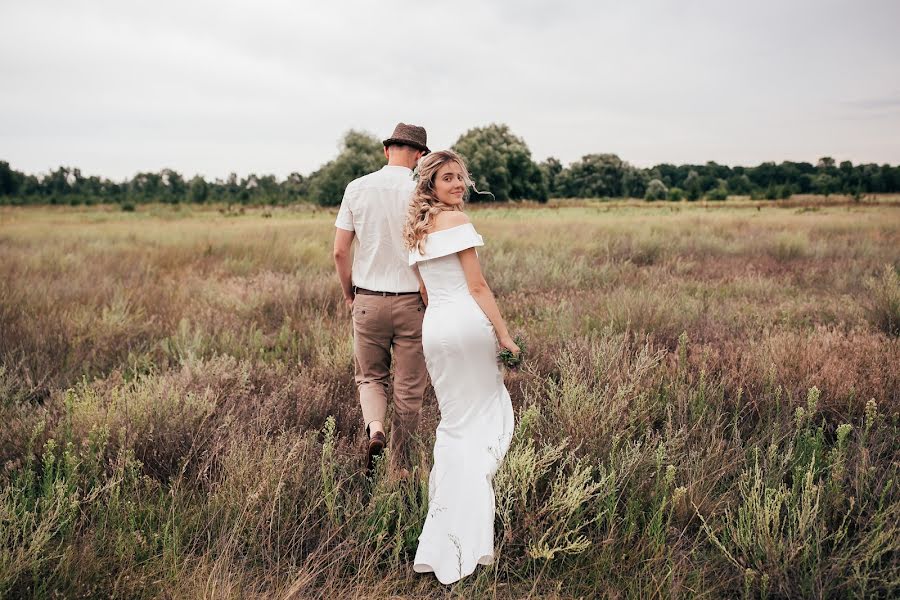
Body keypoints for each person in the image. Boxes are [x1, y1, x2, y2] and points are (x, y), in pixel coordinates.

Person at [403, 150, 519, 585]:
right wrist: (504, 336)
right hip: (467, 324)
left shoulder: (415, 229)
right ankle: (468, 530)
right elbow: (477, 285)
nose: (457, 185)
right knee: (482, 420)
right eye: (448, 178)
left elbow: (428, 294)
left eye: (461, 178)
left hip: (436, 330)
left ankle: (441, 528)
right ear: (429, 184)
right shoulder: (457, 223)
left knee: (454, 424)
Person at [333, 122, 430, 476]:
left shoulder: (357, 188)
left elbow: (340, 252)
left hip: (368, 300)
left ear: (387, 150)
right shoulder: (424, 191)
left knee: (371, 378)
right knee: (408, 389)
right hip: (412, 303)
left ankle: (375, 428)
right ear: (419, 155)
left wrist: (349, 294)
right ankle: (401, 469)